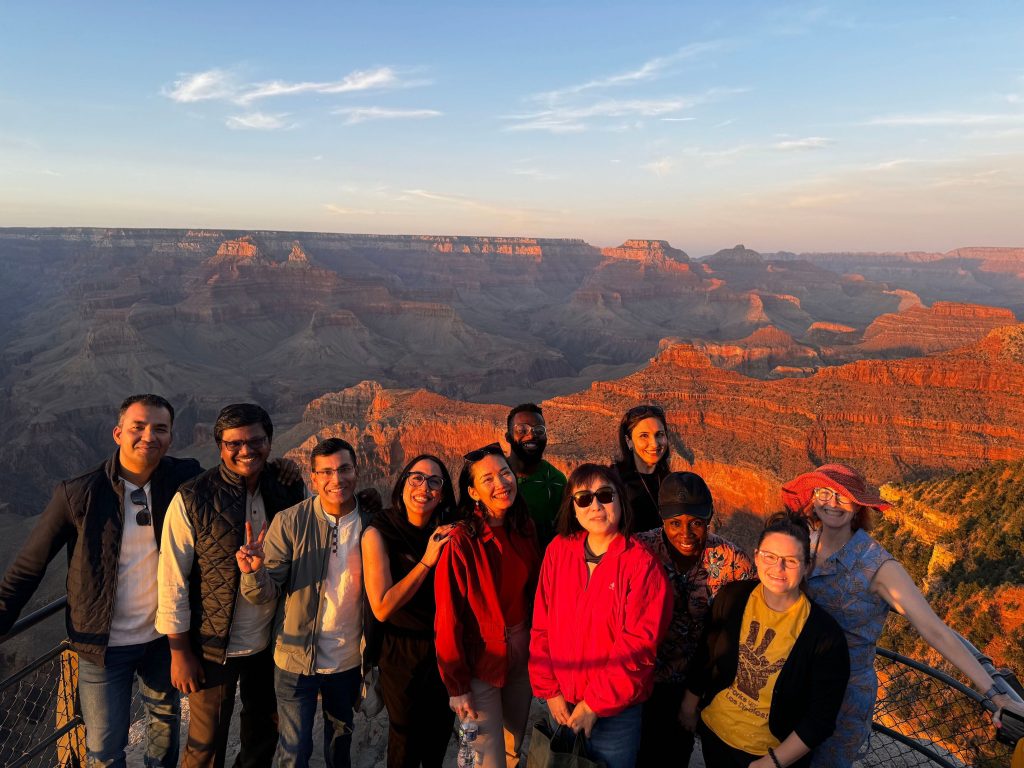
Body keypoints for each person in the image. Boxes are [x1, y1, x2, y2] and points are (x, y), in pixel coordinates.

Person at [0, 394, 200, 768]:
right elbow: (29, 567)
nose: (148, 436)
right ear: (117, 432)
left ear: (172, 436)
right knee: (105, 750)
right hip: (103, 647)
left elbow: (234, 483)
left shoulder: (184, 478)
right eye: (138, 427)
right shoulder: (78, 493)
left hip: (163, 639)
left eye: (160, 429)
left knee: (165, 725)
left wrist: (281, 477)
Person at [781, 463, 1024, 767]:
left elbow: (933, 629)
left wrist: (994, 693)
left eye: (842, 497)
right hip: (797, 679)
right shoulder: (806, 542)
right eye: (824, 493)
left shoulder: (878, 566)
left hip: (843, 698)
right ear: (813, 497)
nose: (831, 503)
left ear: (858, 506)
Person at [157, 402, 306, 768]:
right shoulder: (193, 498)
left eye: (255, 441)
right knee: (205, 745)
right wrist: (180, 652)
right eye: (233, 443)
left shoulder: (286, 489)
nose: (245, 450)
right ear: (219, 447)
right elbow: (172, 579)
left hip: (272, 642)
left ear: (270, 442)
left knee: (263, 736)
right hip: (212, 646)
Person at [236, 437, 373, 768]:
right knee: (293, 749)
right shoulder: (291, 521)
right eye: (325, 472)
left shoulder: (372, 524)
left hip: (348, 660)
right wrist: (254, 573)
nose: (335, 479)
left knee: (340, 743)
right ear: (313, 478)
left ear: (357, 470)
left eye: (343, 469)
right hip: (295, 659)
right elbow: (265, 592)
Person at [529, 464, 672, 768]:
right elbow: (541, 625)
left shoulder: (642, 566)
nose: (595, 505)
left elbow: (638, 649)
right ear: (573, 508)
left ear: (620, 500)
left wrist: (593, 704)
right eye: (583, 498)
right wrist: (549, 691)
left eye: (605, 495)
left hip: (615, 715)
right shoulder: (558, 551)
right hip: (563, 705)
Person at [682, 513, 849, 768]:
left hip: (769, 755)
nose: (777, 568)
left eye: (790, 561)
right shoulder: (732, 597)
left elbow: (820, 719)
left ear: (807, 566)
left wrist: (771, 763)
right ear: (757, 556)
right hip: (715, 734)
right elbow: (706, 655)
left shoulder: (824, 635)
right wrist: (689, 705)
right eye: (769, 556)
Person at [634, 471, 755, 767]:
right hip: (644, 679)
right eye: (675, 523)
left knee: (676, 755)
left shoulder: (732, 564)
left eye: (696, 523)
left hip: (696, 682)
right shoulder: (639, 550)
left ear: (710, 518)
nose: (686, 534)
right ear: (662, 519)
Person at [434, 442, 541, 768]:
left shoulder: (523, 528)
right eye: (488, 479)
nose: (501, 483)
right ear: (473, 491)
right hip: (480, 660)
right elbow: (448, 617)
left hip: (522, 653)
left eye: (505, 472)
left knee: (513, 749)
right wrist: (457, 685)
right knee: (484, 759)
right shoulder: (460, 541)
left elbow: (537, 592)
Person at [362, 454, 458, 768]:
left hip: (443, 650)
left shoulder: (446, 530)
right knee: (404, 743)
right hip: (401, 653)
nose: (424, 487)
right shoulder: (379, 532)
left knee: (438, 739)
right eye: (416, 478)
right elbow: (382, 607)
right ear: (402, 483)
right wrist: (427, 561)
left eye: (434, 481)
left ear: (442, 493)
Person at [504, 403, 566, 548]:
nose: (531, 435)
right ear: (508, 437)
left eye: (539, 430)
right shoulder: (496, 477)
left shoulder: (556, 481)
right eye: (522, 430)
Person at [612, 404, 671, 533]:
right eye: (644, 436)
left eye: (659, 434)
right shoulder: (614, 482)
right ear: (629, 441)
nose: (654, 444)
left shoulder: (670, 481)